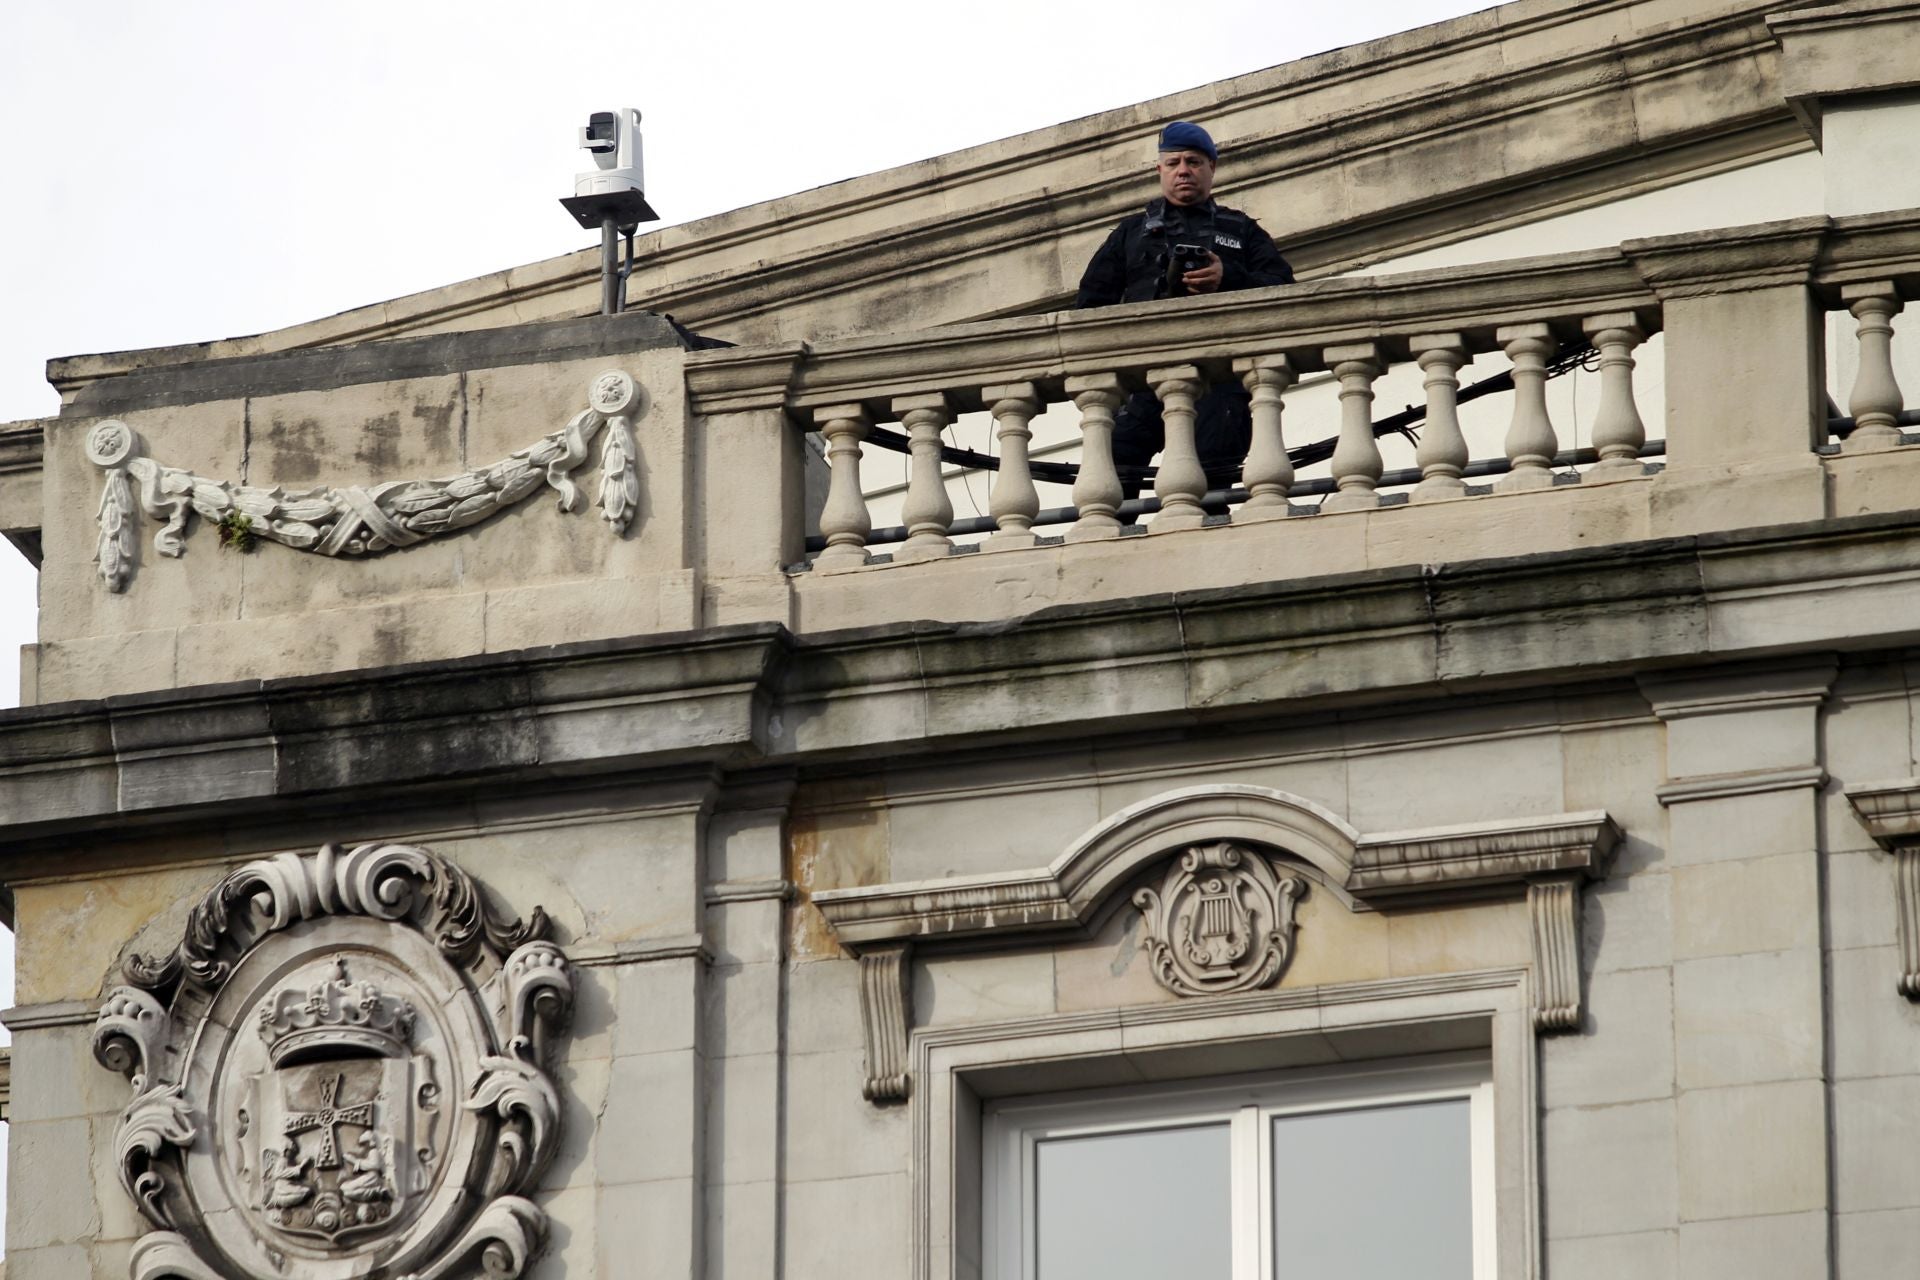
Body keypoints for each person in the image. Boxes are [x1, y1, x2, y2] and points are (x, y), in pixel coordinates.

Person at [1074, 121, 1295, 496]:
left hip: (1222, 380)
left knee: (1212, 486)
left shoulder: (1241, 231)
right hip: (1143, 379)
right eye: (1173, 162)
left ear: (1212, 168)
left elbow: (1285, 296)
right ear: (1159, 170)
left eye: (1193, 162)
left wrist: (1227, 275)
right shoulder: (1131, 233)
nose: (1183, 170)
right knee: (1111, 477)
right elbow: (1090, 307)